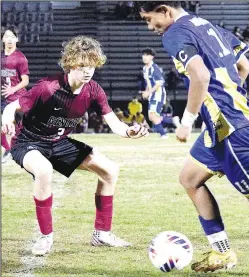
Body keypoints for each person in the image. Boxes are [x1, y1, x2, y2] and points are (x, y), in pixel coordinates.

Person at [138, 2, 249, 273]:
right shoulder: (207, 26)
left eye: (150, 19)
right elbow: (245, 66)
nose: (150, 27)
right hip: (221, 127)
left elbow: (200, 76)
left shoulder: (175, 33)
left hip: (232, 129)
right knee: (190, 179)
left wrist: (187, 120)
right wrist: (231, 99)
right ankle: (223, 252)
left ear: (164, 10)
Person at [2, 36, 148, 256]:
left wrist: (129, 131)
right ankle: (45, 237)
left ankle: (102, 234)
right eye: (82, 66)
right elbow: (12, 106)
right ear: (70, 64)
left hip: (59, 144)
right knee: (43, 170)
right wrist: (6, 118)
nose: (87, 71)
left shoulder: (94, 90)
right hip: (28, 142)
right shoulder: (47, 87)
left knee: (110, 171)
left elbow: (113, 122)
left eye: (91, 65)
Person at [1, 25, 30, 163]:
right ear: (2, 39)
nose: (10, 39)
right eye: (7, 36)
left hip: (18, 98)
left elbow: (25, 80)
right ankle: (8, 149)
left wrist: (13, 89)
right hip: (3, 98)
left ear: (17, 39)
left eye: (12, 37)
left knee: (20, 128)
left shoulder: (20, 58)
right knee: (4, 125)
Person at [141, 47, 179, 139]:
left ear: (152, 57)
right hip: (152, 95)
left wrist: (148, 92)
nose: (144, 57)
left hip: (158, 95)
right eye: (144, 55)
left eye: (147, 55)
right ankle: (171, 120)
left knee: (153, 116)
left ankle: (164, 134)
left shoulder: (155, 68)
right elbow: (148, 82)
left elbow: (159, 83)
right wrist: (146, 91)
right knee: (152, 117)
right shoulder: (145, 68)